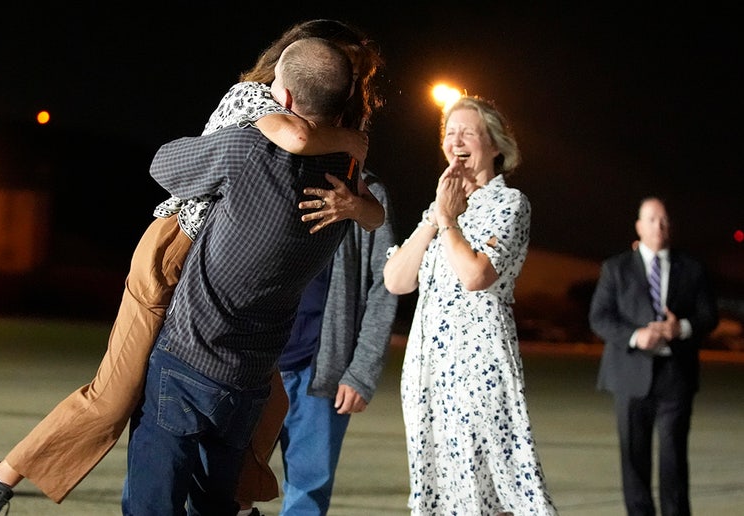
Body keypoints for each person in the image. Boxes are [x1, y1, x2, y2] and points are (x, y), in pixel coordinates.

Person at [0, 19, 384, 516]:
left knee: (269, 400)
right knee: (116, 398)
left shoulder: (335, 139)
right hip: (174, 248)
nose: (358, 81)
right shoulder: (256, 101)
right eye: (352, 68)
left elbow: (371, 206)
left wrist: (354, 177)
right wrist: (351, 142)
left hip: (216, 260)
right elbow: (294, 134)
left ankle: (233, 504)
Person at [121, 36, 357, 515]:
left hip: (189, 358)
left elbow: (163, 164)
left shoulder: (248, 149)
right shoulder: (347, 187)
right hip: (250, 377)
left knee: (151, 506)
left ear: (284, 99)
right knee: (215, 507)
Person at [382, 95, 557, 515]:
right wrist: (435, 217)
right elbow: (396, 280)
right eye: (450, 133)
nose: (456, 141)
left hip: (478, 367)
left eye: (468, 133)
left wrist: (449, 222)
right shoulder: (439, 209)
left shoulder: (510, 204)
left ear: (495, 145)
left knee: (497, 481)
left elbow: (477, 276)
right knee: (439, 481)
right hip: (428, 368)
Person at [239, 167, 398, 516]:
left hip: (321, 370)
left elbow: (385, 285)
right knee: (230, 488)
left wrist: (361, 371)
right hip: (254, 366)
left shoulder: (368, 192)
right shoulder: (269, 170)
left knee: (307, 498)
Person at [589, 196, 718, 516]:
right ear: (638, 226)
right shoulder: (615, 268)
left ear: (670, 226)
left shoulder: (692, 268)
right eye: (651, 219)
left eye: (664, 220)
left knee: (674, 459)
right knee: (634, 460)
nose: (659, 225)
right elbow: (600, 317)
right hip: (630, 376)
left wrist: (683, 328)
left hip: (676, 377)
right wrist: (635, 336)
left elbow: (708, 316)